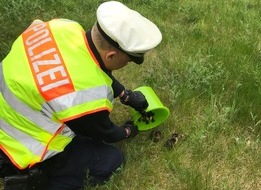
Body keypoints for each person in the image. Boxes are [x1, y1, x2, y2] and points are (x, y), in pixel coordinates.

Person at [0, 1, 162, 189]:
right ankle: (32, 181)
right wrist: (128, 131)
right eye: (126, 61)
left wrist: (125, 94)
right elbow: (105, 133)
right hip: (19, 145)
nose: (125, 65)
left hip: (9, 110)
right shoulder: (87, 97)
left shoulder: (63, 27)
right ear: (111, 56)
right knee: (111, 159)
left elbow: (89, 63)